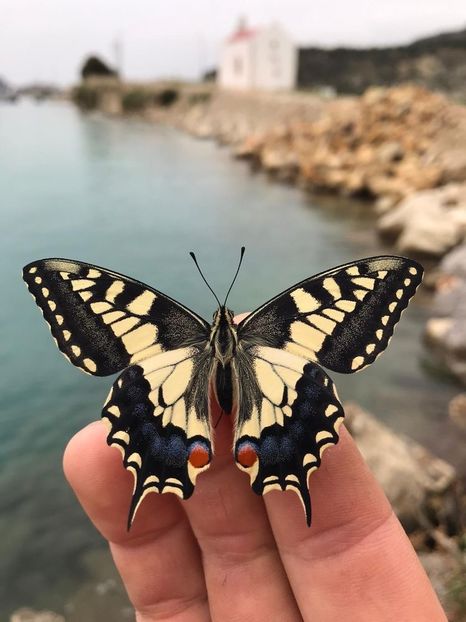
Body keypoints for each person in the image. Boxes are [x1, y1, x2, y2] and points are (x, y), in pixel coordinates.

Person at [63, 315, 448, 622]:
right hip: (265, 387)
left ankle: (208, 448)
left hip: (190, 388)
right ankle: (238, 449)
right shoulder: (277, 323)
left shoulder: (166, 323)